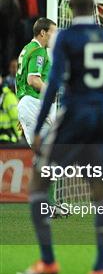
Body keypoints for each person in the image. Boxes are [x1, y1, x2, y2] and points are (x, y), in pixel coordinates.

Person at [17, 0, 103, 274]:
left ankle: (48, 261)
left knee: (38, 185)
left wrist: (42, 124)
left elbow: (53, 85)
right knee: (100, 189)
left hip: (73, 116)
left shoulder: (65, 38)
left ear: (70, 10)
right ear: (93, 8)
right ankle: (100, 268)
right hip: (102, 118)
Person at [15, 18, 58, 207]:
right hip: (35, 104)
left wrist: (22, 108)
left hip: (28, 104)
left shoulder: (26, 49)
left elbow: (22, 81)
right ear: (43, 33)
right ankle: (46, 204)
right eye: (52, 32)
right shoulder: (39, 51)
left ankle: (48, 203)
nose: (54, 36)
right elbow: (33, 80)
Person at [0, 75, 20, 143]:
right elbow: (16, 117)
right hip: (9, 138)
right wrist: (18, 136)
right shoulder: (9, 96)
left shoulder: (6, 95)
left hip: (5, 137)